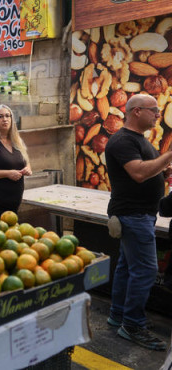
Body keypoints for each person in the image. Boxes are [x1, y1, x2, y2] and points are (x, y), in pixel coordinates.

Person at [105, 94, 172, 351]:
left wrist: (163, 170)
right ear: (136, 112)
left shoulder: (139, 141)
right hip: (133, 215)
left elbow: (147, 169)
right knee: (144, 271)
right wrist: (168, 157)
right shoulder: (122, 141)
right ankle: (132, 324)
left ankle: (118, 314)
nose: (158, 114)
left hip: (138, 214)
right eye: (154, 110)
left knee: (127, 267)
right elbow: (139, 173)